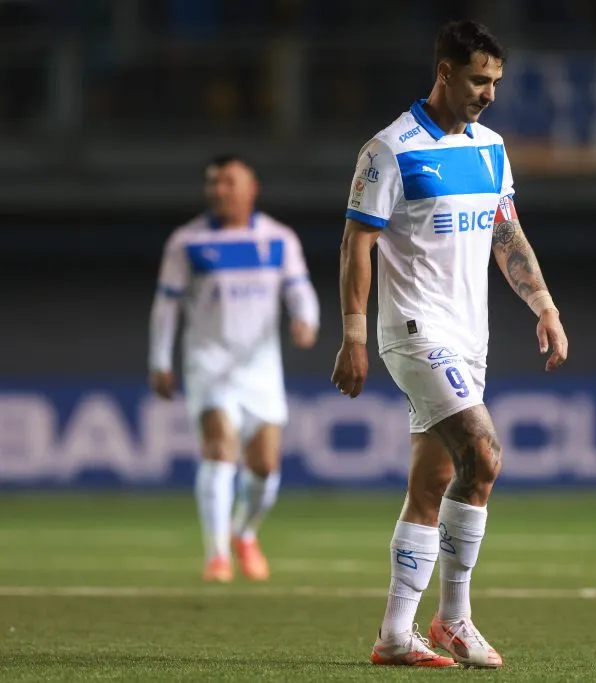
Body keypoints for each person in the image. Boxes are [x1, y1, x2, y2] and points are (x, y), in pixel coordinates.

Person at [331, 19, 568, 669]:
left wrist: (543, 303)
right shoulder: (390, 149)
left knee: (435, 481)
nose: (489, 92)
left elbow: (506, 232)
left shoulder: (492, 148)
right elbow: (358, 242)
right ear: (444, 72)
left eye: (496, 81)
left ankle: (394, 634)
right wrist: (353, 333)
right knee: (485, 455)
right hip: (414, 329)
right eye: (477, 79)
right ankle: (454, 617)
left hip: (470, 336)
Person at [149, 154, 320, 582]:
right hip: (207, 363)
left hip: (260, 368)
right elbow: (166, 305)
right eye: (213, 183)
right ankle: (217, 554)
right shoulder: (185, 242)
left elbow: (300, 291)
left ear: (251, 189)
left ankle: (244, 533)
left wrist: (307, 321)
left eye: (228, 182)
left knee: (264, 466)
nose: (218, 191)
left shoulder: (279, 238)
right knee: (219, 446)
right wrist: (159, 359)